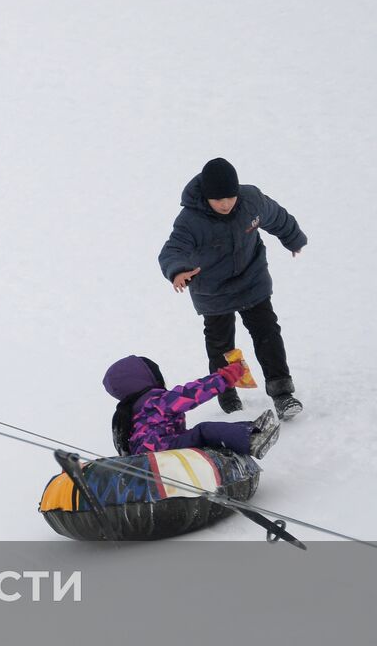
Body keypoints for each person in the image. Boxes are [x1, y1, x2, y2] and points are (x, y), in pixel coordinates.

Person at [158, 157, 307, 420]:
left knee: (267, 332)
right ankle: (227, 395)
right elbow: (174, 249)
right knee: (221, 345)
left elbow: (277, 217)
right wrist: (179, 270)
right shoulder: (191, 219)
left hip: (252, 279)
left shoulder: (251, 201)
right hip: (212, 290)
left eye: (230, 197)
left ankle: (282, 393)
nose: (225, 204)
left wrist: (293, 238)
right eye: (218, 199)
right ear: (206, 197)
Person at [102, 354, 280, 460]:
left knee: (194, 436)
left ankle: (249, 431)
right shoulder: (156, 402)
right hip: (163, 453)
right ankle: (251, 439)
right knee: (203, 431)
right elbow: (191, 394)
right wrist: (225, 377)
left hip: (148, 460)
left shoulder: (131, 412)